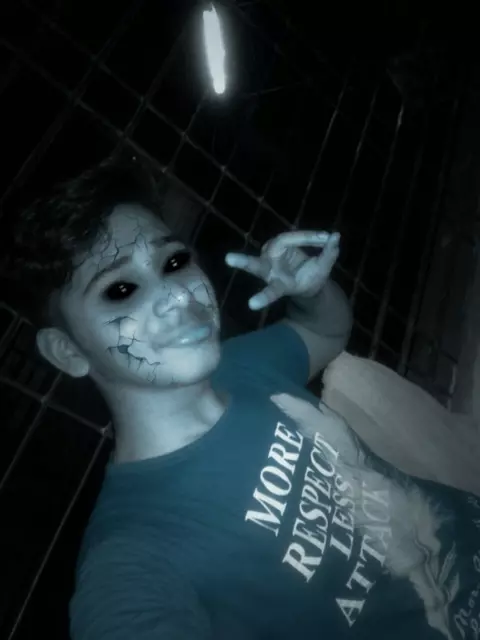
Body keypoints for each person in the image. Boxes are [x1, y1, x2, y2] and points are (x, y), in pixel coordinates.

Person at [2, 154, 480, 640]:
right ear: (67, 351)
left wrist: (309, 292)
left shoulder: (242, 363)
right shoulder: (134, 551)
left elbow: (325, 330)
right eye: (121, 289)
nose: (177, 295)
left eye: (173, 262)